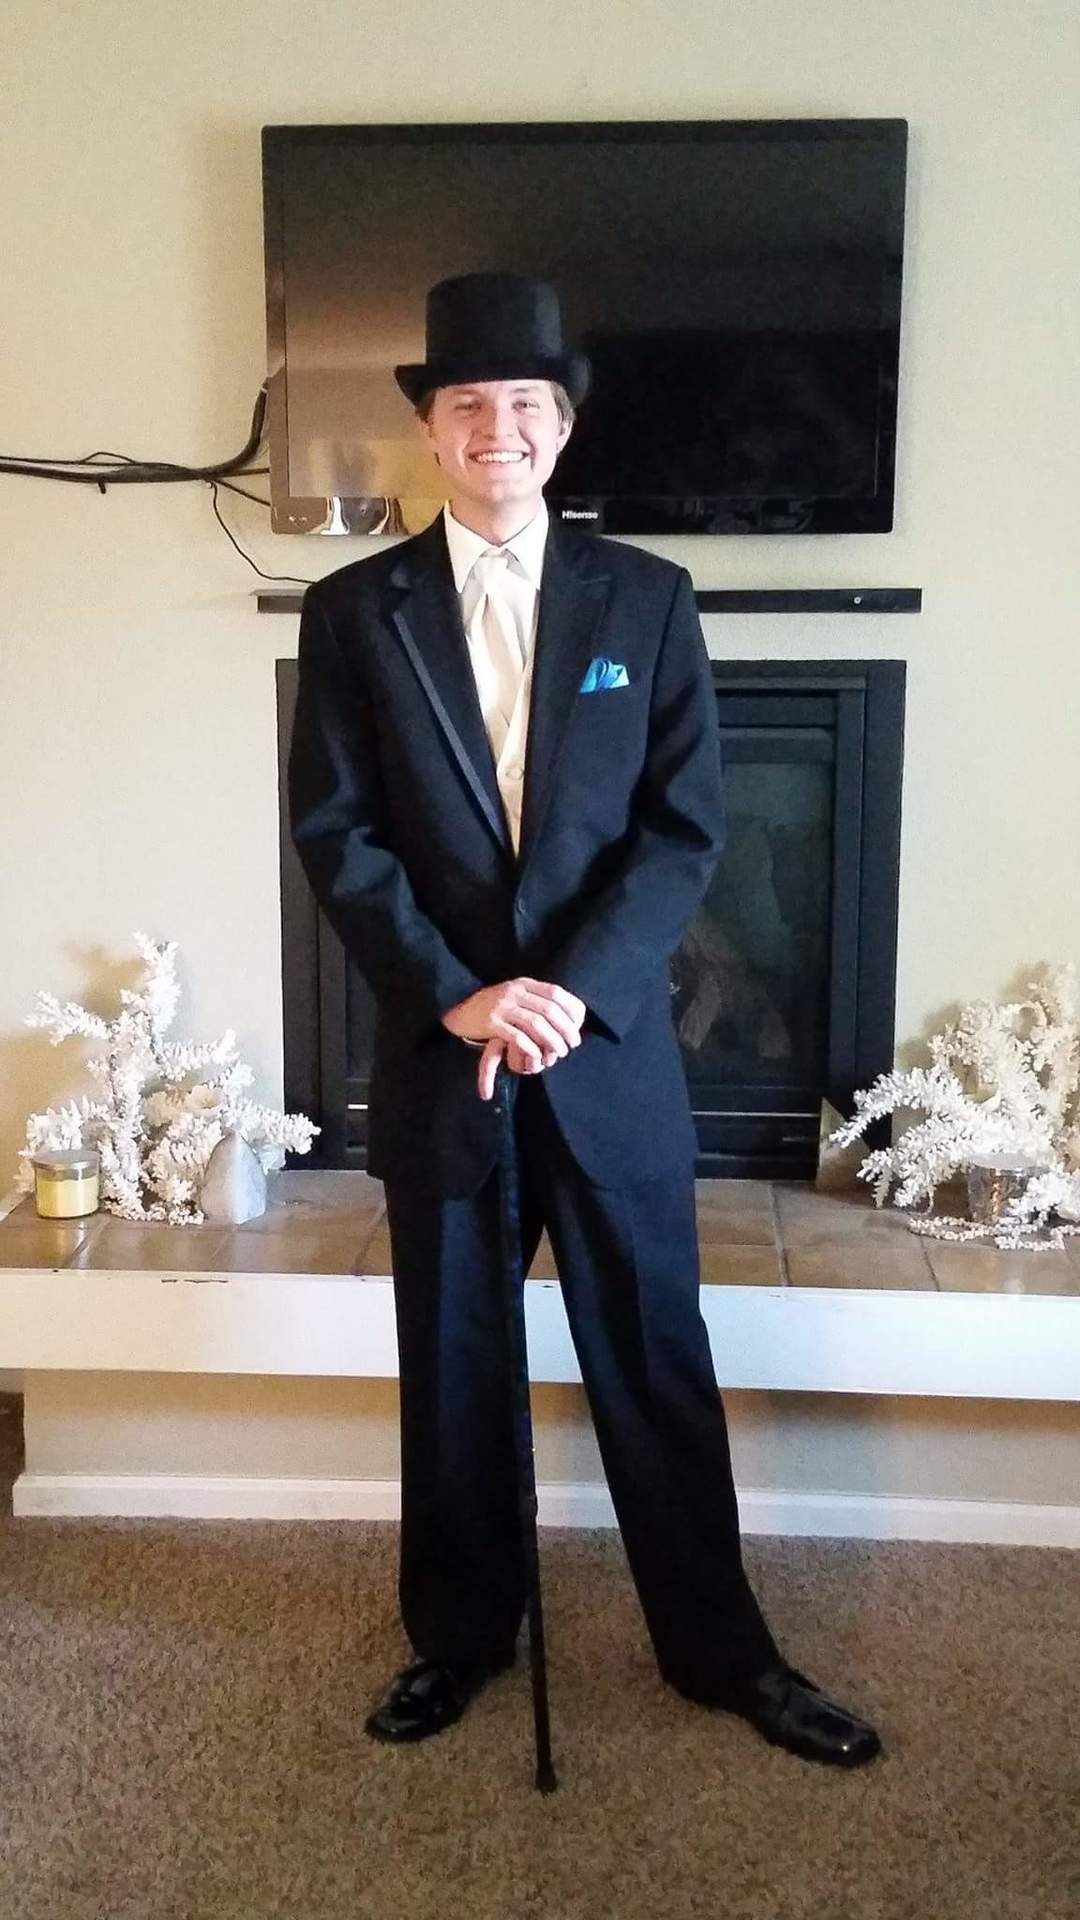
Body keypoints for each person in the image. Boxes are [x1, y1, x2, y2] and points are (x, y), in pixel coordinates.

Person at [288, 272, 882, 1768]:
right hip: (448, 1057)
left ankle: (721, 1650)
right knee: (455, 1370)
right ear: (432, 427)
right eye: (468, 405)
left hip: (602, 1057)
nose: (497, 428)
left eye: (525, 405)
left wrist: (570, 991)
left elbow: (683, 829)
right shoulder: (355, 612)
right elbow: (338, 836)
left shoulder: (649, 600)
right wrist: (459, 990)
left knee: (657, 1359)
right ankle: (459, 1638)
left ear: (562, 427)